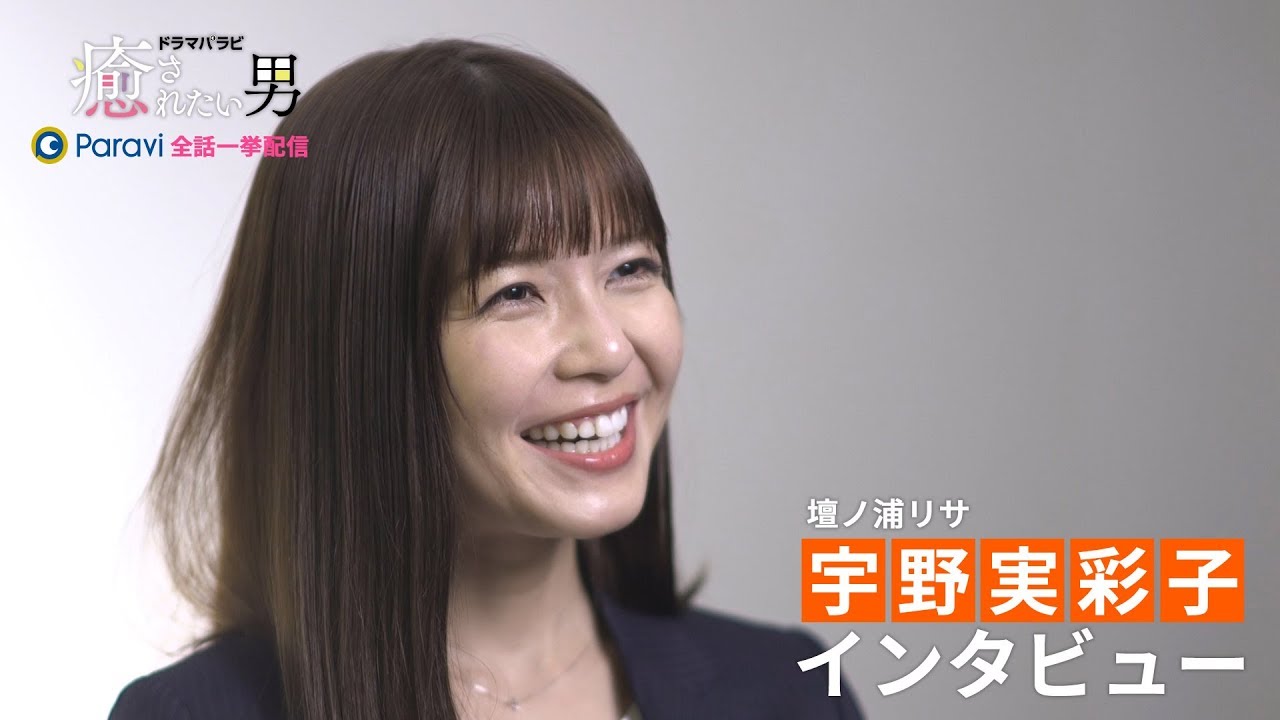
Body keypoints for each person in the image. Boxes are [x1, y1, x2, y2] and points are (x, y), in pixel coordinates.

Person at [107, 37, 864, 720]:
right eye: (516, 293)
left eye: (631, 268)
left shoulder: (791, 692)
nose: (606, 347)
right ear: (361, 355)